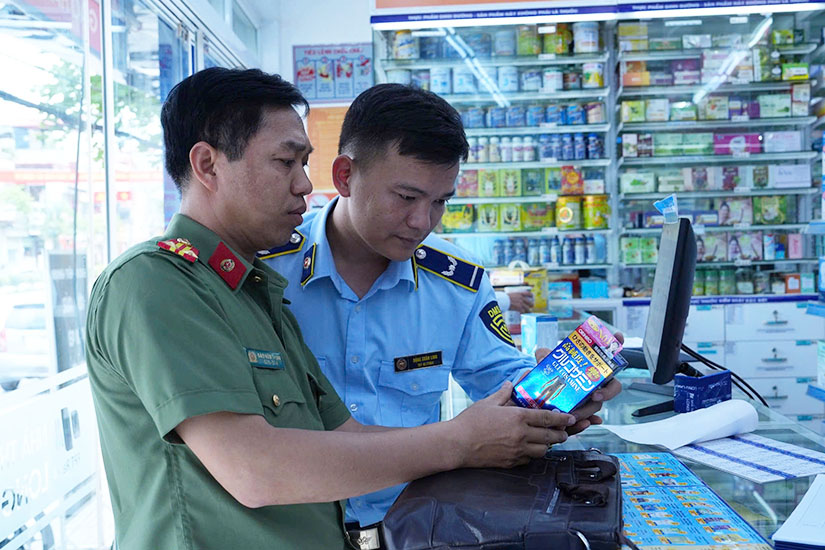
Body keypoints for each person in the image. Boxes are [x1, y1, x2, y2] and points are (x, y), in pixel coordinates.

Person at [85, 68, 577, 550]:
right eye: (286, 163)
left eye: (304, 164)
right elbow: (254, 469)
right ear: (209, 165)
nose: (304, 185)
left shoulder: (256, 289)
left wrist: (553, 399)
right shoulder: (158, 282)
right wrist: (459, 442)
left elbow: (349, 435)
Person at [261, 84, 622, 532]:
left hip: (411, 528)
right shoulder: (265, 269)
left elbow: (501, 381)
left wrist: (555, 395)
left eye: (440, 202)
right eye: (406, 197)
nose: (422, 222)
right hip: (290, 528)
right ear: (344, 176)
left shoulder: (458, 282)